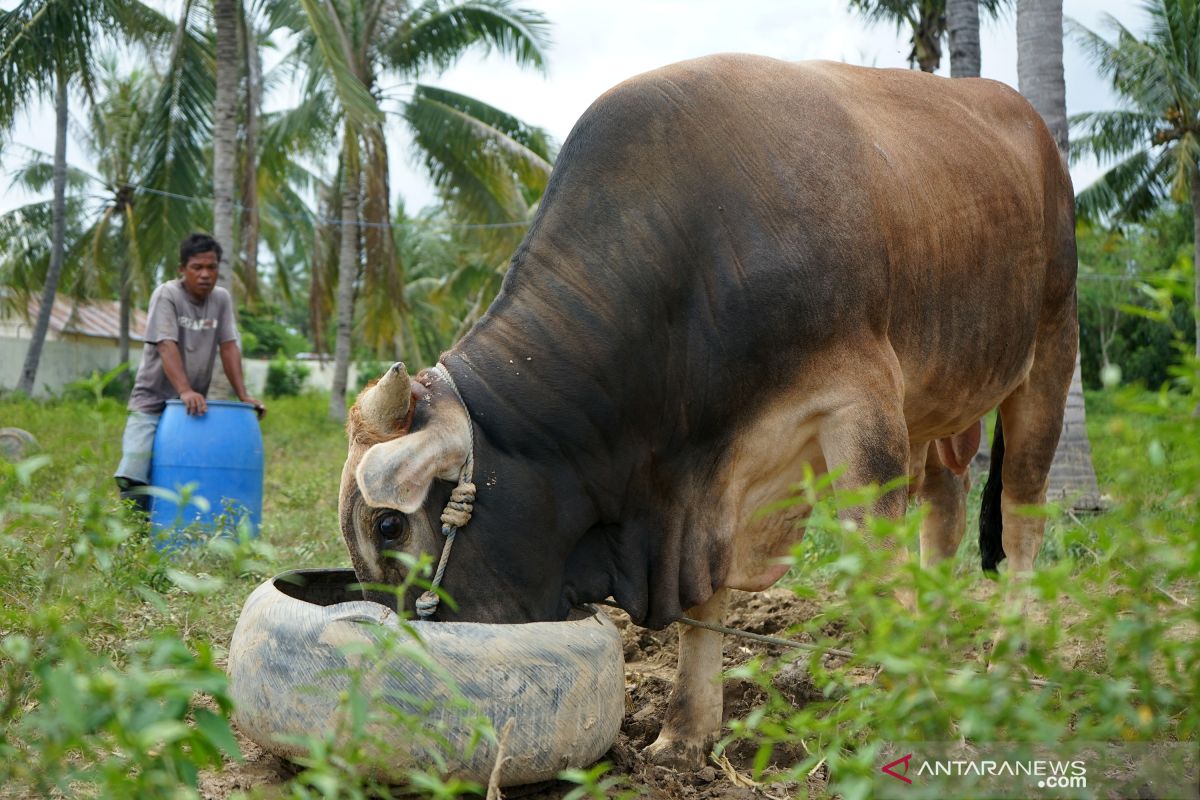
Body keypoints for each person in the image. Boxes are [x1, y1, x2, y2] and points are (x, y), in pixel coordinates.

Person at [114, 232, 266, 512]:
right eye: (197, 267)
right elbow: (165, 344)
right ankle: (132, 534)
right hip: (152, 402)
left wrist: (244, 395)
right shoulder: (167, 294)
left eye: (212, 267)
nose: (205, 274)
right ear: (182, 269)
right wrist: (184, 389)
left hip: (191, 410)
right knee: (133, 471)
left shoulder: (220, 299)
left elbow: (229, 346)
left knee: (185, 475)